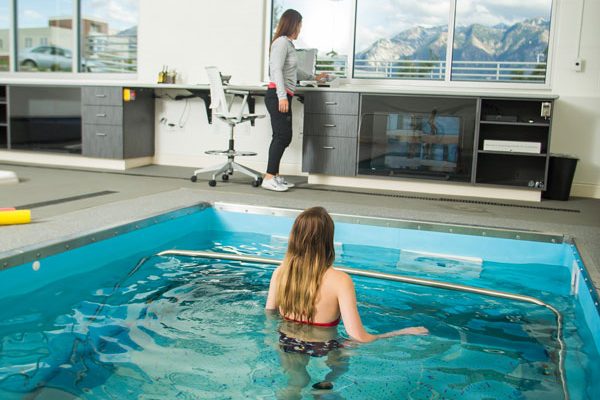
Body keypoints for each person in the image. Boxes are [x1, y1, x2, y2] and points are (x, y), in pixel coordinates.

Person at [265, 206, 428, 395]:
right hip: (325, 345)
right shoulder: (340, 281)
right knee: (342, 356)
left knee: (296, 382)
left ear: (294, 237)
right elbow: (359, 337)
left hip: (287, 341)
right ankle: (326, 384)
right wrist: (402, 332)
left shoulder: (280, 273)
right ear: (327, 241)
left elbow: (270, 314)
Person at [262, 9, 328, 192]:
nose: (300, 29)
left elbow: (294, 71)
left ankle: (273, 175)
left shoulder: (289, 45)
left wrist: (314, 77)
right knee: (282, 136)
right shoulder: (281, 43)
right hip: (277, 95)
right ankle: (268, 177)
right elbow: (276, 70)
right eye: (299, 25)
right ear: (292, 24)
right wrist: (282, 97)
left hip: (283, 95)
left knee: (283, 135)